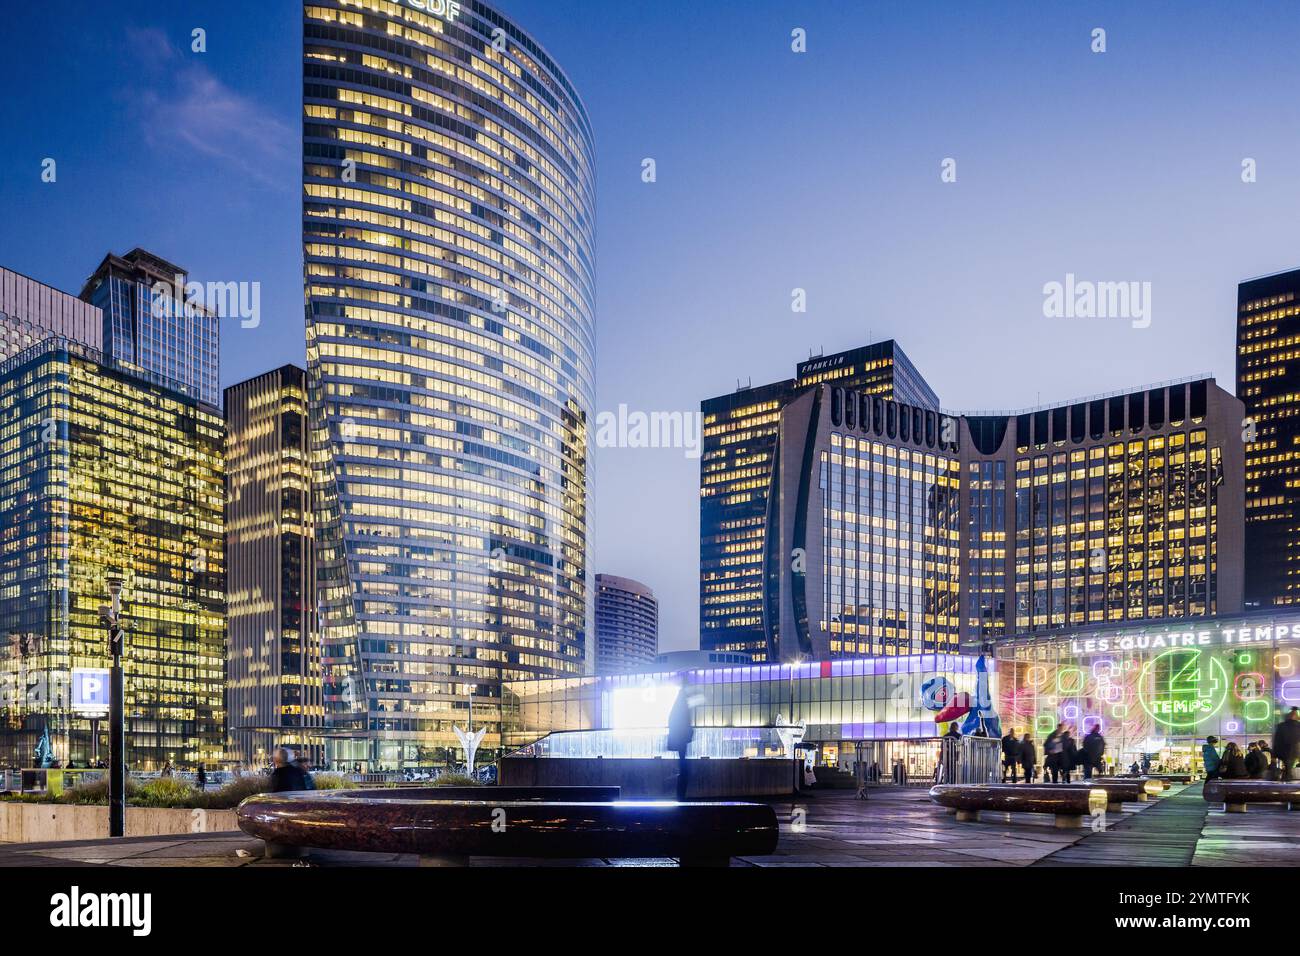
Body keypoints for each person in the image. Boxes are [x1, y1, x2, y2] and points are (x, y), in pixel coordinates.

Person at [666, 685, 696, 801]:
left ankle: (680, 795)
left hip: (679, 739)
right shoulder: (683, 707)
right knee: (683, 763)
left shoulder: (678, 707)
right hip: (682, 739)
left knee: (682, 762)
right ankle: (681, 794)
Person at [1272, 707, 1300, 781]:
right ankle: (1287, 779)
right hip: (1294, 751)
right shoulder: (1298, 726)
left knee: (1288, 767)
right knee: (1288, 767)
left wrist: (1274, 754)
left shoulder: (1281, 726)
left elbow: (1277, 740)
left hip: (1284, 751)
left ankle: (1286, 779)